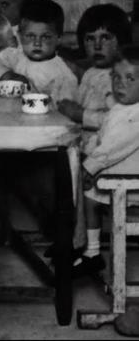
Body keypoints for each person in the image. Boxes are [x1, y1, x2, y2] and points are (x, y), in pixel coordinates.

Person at [75, 46, 139, 279]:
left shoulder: (136, 114)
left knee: (87, 191)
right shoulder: (120, 108)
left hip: (132, 184)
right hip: (119, 178)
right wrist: (85, 151)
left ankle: (90, 250)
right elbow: (102, 137)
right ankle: (85, 247)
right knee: (86, 192)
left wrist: (89, 166)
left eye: (130, 78)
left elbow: (113, 147)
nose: (120, 84)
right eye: (116, 77)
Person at [0, 0, 78, 103]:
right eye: (30, 36)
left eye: (45, 37)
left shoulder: (63, 77)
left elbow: (65, 108)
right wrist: (10, 75)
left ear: (59, 38)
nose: (37, 43)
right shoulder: (17, 56)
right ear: (20, 36)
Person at [58, 4, 131, 131]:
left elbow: (121, 120)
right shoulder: (90, 73)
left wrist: (81, 115)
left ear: (122, 40)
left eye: (105, 37)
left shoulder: (122, 79)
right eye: (90, 39)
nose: (97, 46)